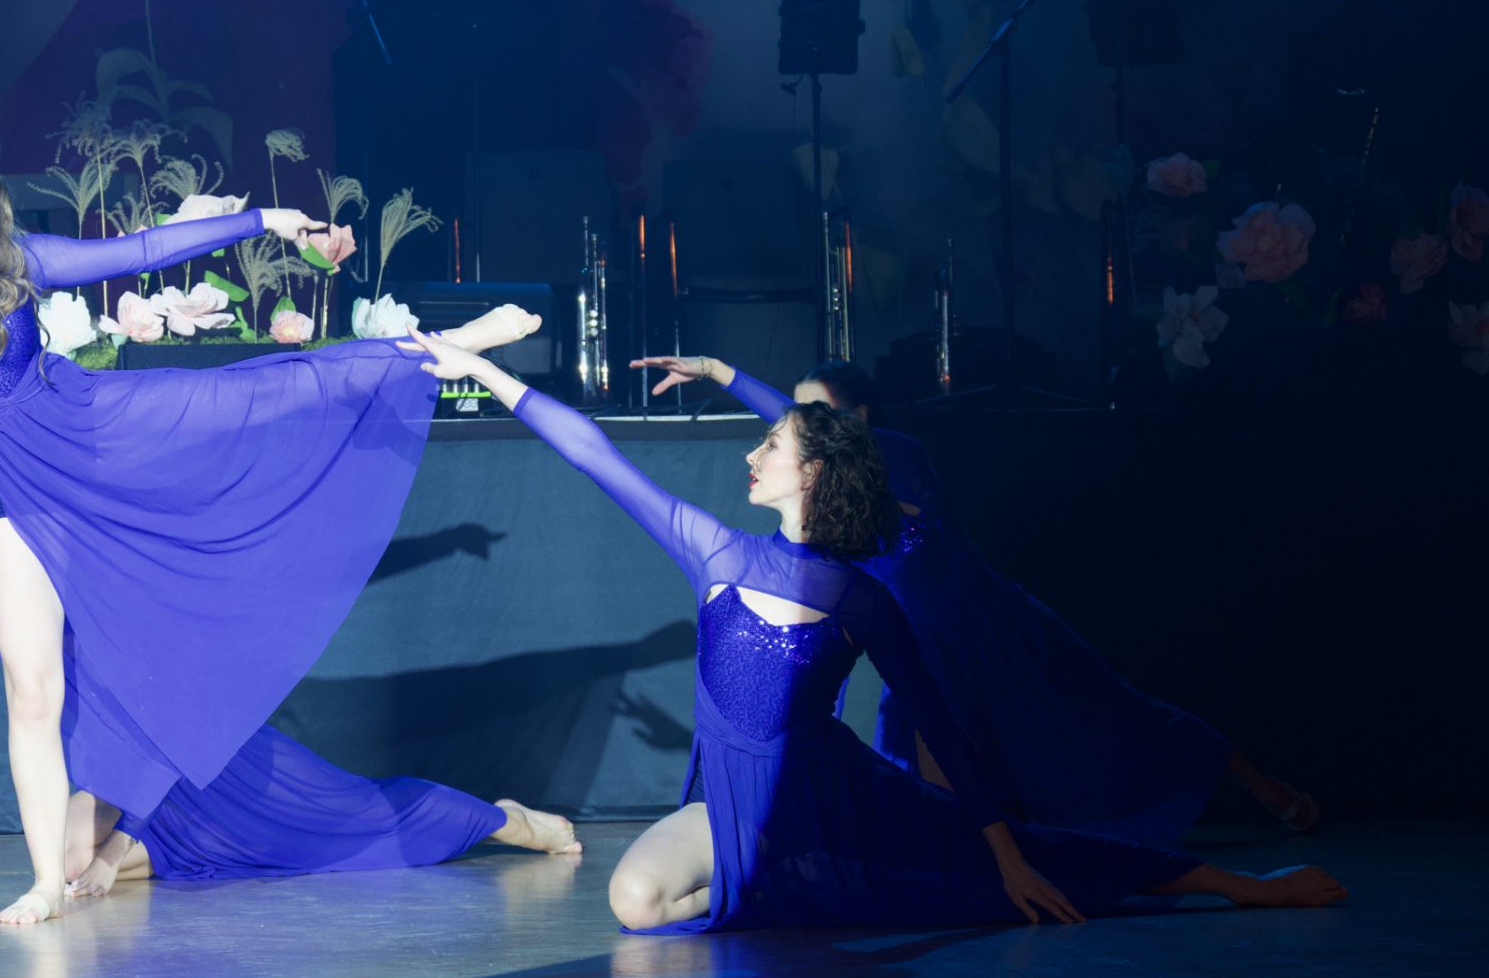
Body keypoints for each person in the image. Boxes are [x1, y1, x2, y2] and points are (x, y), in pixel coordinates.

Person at [0, 19, 534, 924]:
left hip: (85, 441)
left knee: (249, 394)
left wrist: (268, 219)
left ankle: (438, 349)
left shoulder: (22, 261)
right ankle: (48, 879)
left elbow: (148, 250)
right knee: (33, 688)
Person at [408, 333, 1345, 931]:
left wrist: (1005, 855)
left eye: (770, 445)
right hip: (731, 801)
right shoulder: (715, 553)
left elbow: (943, 730)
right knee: (634, 900)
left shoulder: (863, 599)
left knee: (1020, 864)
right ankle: (788, 883)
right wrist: (482, 371)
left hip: (829, 794)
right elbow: (594, 454)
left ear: (813, 473)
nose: (751, 453)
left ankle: (1245, 885)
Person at [633, 354, 1316, 847]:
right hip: (929, 654)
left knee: (1123, 722)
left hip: (1001, 633)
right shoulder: (831, 490)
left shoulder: (899, 457)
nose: (804, 428)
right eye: (799, 418)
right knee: (935, 787)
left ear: (859, 417)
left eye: (821, 415)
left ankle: (1266, 788)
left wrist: (722, 373)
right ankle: (986, 866)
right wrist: (718, 372)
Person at [62, 724, 582, 896]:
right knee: (69, 865)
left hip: (231, 776)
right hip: (150, 794)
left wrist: (111, 854)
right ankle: (162, 847)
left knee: (365, 821)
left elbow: (174, 742)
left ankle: (510, 821)